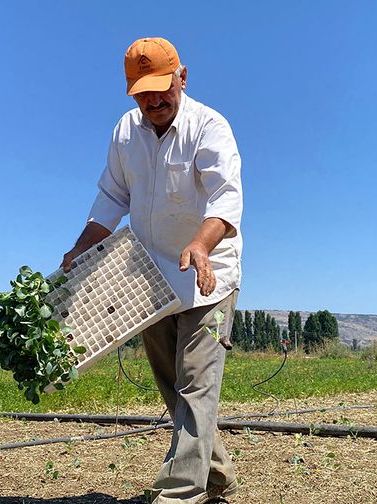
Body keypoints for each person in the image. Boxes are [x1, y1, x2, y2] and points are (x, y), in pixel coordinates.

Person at [60, 37, 243, 504]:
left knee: (196, 384)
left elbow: (226, 197)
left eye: (163, 88)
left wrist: (201, 244)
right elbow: (112, 197)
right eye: (143, 93)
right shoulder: (126, 131)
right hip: (150, 277)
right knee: (173, 389)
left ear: (183, 78)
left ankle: (179, 494)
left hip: (208, 274)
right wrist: (80, 249)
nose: (154, 101)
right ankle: (216, 477)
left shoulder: (209, 127)